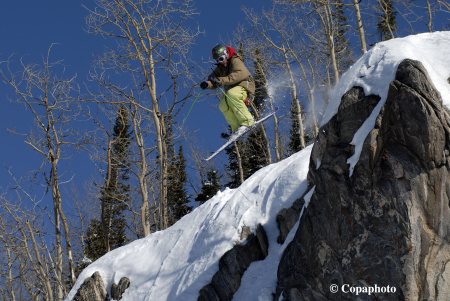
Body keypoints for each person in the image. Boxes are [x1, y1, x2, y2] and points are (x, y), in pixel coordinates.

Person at [200, 45, 255, 132]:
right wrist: (207, 84)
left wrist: (220, 80)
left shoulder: (235, 60)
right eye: (217, 60)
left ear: (226, 54)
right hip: (232, 90)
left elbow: (239, 74)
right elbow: (212, 78)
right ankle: (236, 128)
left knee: (231, 94)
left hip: (244, 85)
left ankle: (247, 121)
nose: (220, 62)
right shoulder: (220, 68)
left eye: (221, 59)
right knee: (222, 105)